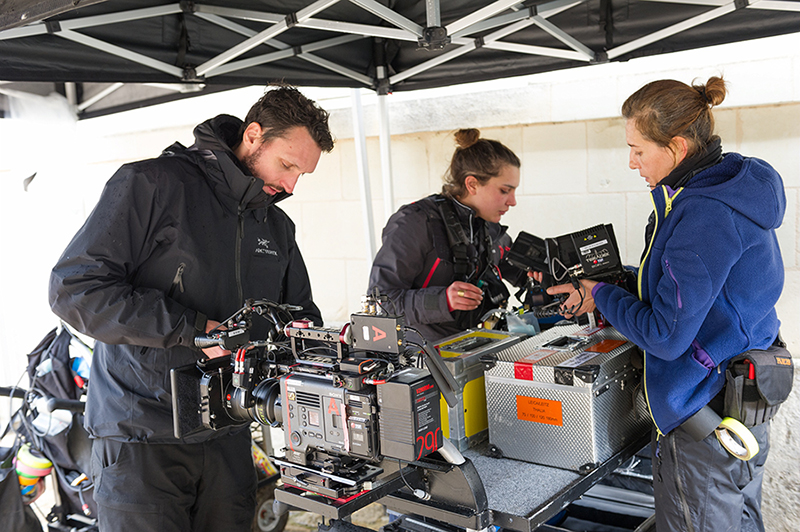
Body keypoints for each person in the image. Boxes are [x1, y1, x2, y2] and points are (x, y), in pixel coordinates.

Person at [48, 86, 334, 532]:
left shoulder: (276, 225)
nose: (292, 185)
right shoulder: (151, 184)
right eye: (287, 165)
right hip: (141, 433)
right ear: (253, 136)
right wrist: (197, 331)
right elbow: (74, 289)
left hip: (230, 433)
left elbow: (300, 318)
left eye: (304, 174)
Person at [548, 77, 785, 532]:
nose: (631, 162)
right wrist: (615, 286)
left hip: (705, 415)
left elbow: (665, 334)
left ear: (676, 146)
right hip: (743, 401)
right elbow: (705, 295)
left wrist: (602, 295)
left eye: (638, 149)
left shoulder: (702, 215)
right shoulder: (732, 187)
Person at [368, 128, 522, 342]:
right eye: (505, 191)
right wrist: (443, 301)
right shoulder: (416, 222)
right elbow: (381, 302)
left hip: (475, 347)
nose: (513, 201)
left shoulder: (487, 224)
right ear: (472, 184)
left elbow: (516, 264)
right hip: (422, 359)